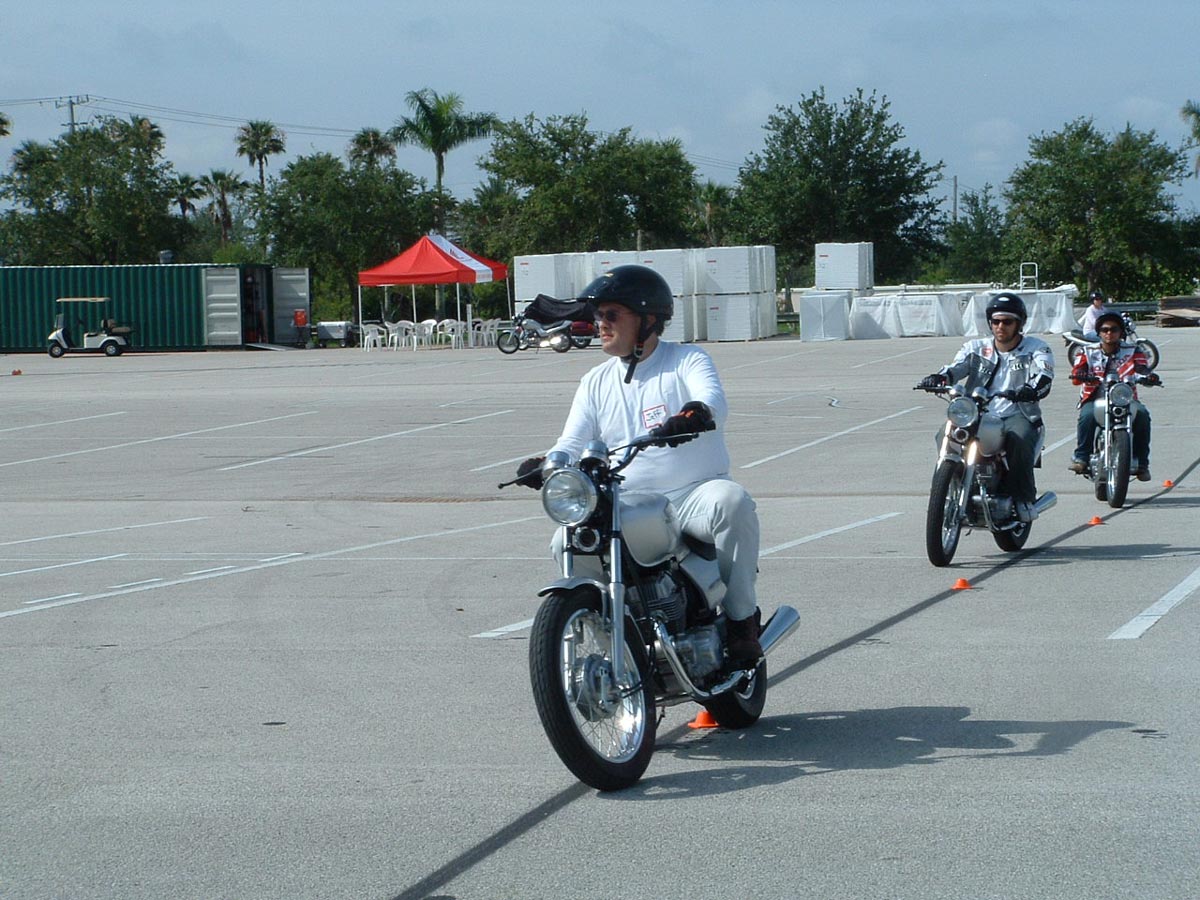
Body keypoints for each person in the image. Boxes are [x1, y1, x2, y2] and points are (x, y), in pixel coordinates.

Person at [515, 264, 764, 662]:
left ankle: (741, 622)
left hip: (692, 496)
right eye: (599, 315)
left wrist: (694, 414)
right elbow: (572, 441)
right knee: (565, 540)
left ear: (647, 319)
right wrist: (548, 463)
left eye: (612, 315)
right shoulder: (595, 381)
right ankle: (615, 643)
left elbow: (712, 399)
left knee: (732, 503)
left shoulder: (686, 359)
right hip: (631, 503)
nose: (601, 324)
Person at [919, 292, 1055, 523]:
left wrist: (1031, 390)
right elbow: (955, 368)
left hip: (1017, 413)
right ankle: (946, 490)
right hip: (976, 412)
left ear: (1019, 324)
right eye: (996, 321)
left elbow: (1044, 375)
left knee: (1020, 439)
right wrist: (939, 378)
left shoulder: (1036, 348)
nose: (1001, 326)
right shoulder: (976, 347)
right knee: (944, 434)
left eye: (1007, 321)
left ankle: (1023, 498)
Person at [1068, 311, 1159, 480]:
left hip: (1124, 397)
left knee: (1142, 415)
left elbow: (1141, 368)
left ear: (1121, 332)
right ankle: (1081, 457)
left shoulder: (1133, 350)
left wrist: (1149, 376)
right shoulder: (1087, 351)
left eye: (1114, 329)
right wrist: (1081, 374)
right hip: (1095, 396)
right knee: (1087, 416)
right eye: (1105, 330)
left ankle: (1142, 463)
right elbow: (1077, 371)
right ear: (1099, 332)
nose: (1109, 333)